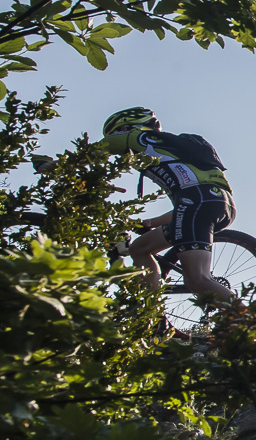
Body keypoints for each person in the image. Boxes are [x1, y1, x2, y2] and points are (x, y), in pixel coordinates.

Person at [94, 107, 239, 306]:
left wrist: (54, 166)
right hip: (218, 202)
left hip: (197, 201)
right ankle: (152, 315)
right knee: (139, 249)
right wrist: (149, 223)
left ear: (126, 127)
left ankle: (255, 325)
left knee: (197, 279)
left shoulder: (136, 137)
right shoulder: (167, 146)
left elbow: (93, 152)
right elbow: (188, 207)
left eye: (116, 133)